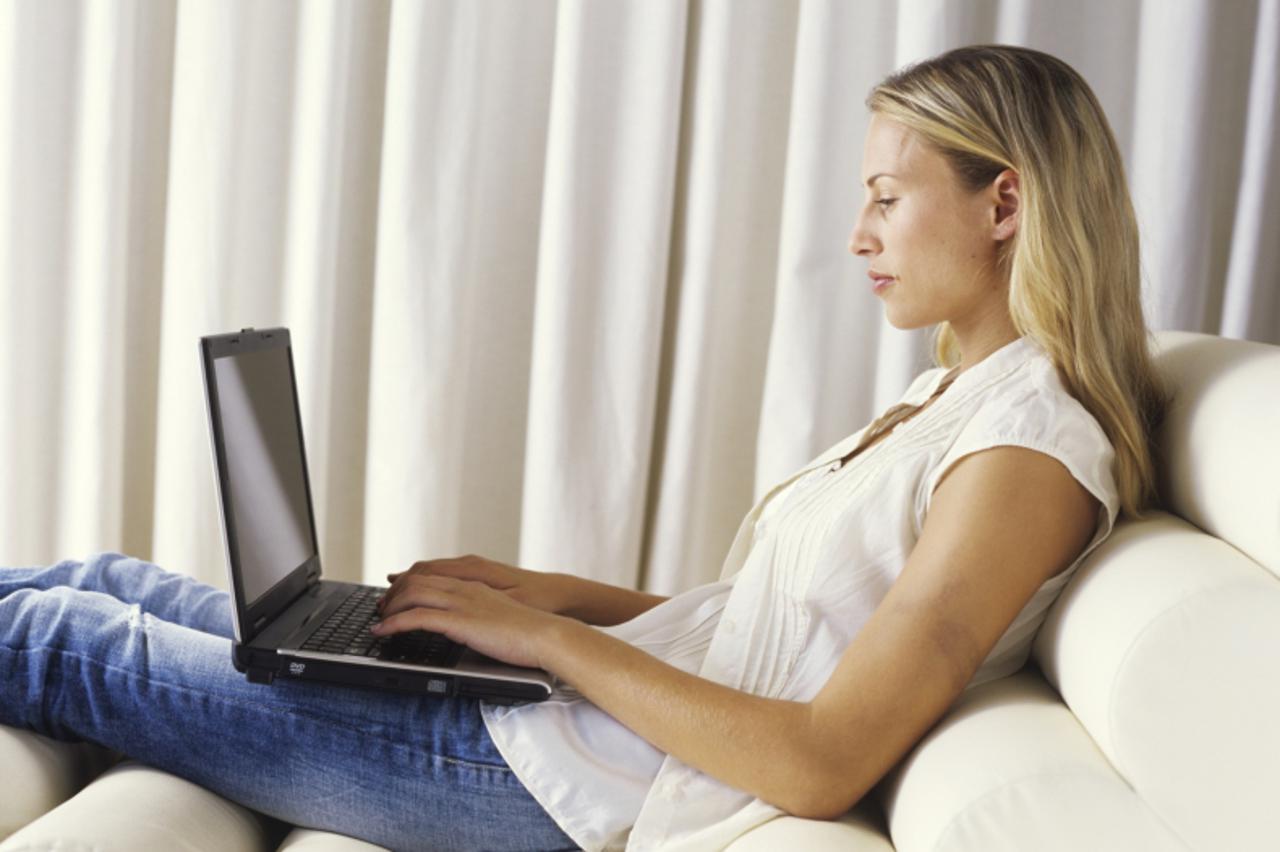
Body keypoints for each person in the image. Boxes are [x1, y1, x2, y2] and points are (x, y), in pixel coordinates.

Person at [0, 44, 1168, 852]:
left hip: (555, 784)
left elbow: (819, 758)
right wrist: (551, 597)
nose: (858, 234)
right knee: (106, 580)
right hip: (560, 720)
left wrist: (540, 638)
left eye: (885, 198)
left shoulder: (1023, 452)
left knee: (60, 642)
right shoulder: (954, 398)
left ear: (1002, 204)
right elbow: (777, 630)